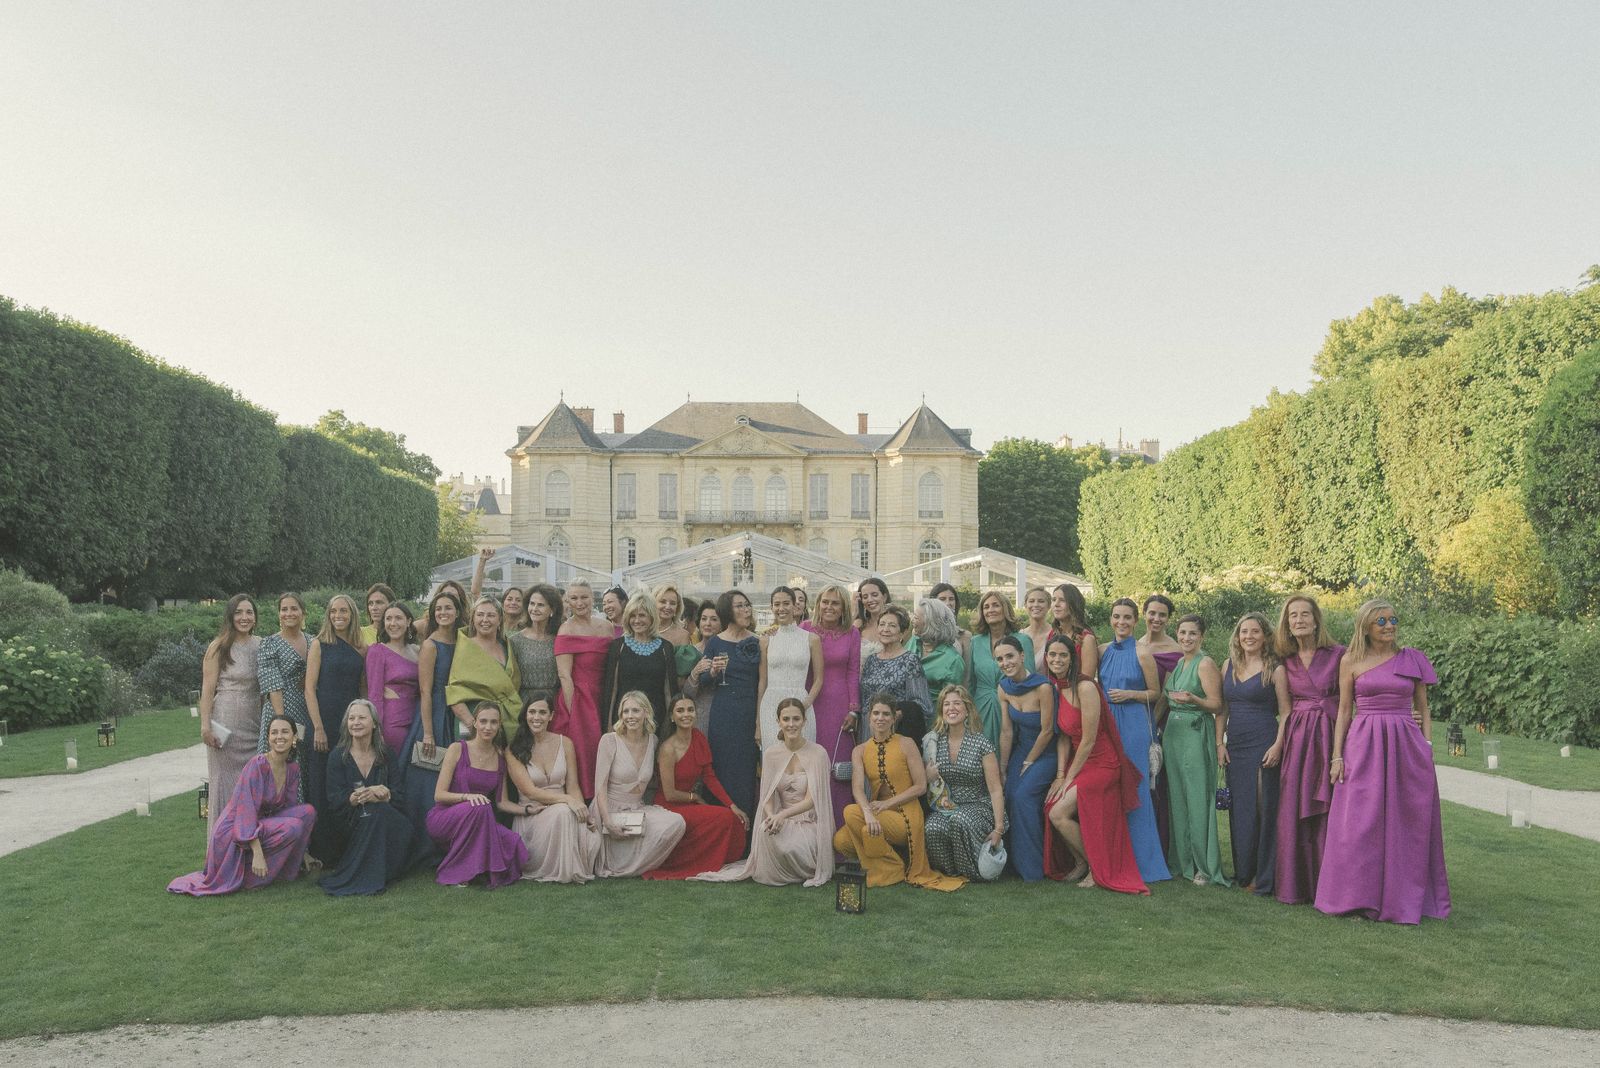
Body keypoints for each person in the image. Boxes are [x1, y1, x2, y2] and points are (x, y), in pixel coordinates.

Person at [1315, 601, 1450, 924]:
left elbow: (1424, 707)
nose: (1389, 626)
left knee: (1406, 819)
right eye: (1381, 622)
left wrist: (1427, 745)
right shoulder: (1351, 660)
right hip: (1363, 743)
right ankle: (1355, 899)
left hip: (1406, 744)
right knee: (1360, 822)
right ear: (1366, 627)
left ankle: (1402, 896)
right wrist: (1337, 756)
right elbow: (1345, 711)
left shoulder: (1411, 658)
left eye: (1393, 620)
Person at [1042, 636, 1148, 894]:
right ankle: (1079, 861)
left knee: (1059, 813)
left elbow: (1088, 740)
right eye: (1052, 655)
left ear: (1072, 658)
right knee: (1050, 808)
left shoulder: (1085, 687)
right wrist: (1059, 774)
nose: (1057, 660)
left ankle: (1094, 866)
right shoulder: (1057, 688)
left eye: (1062, 655)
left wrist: (1069, 780)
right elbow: (1064, 735)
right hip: (1081, 763)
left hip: (1102, 763)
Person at [694, 698, 835, 887]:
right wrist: (771, 817)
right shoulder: (771, 754)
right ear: (778, 722)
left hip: (807, 821)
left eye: (796, 719)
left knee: (792, 848)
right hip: (778, 819)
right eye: (786, 719)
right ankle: (782, 867)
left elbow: (812, 800)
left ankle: (803, 867)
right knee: (764, 831)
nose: (791, 724)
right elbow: (767, 796)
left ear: (804, 721)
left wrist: (782, 815)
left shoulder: (818, 753)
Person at [169, 714, 315, 896]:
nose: (279, 737)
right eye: (274, 732)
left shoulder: (292, 768)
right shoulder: (258, 765)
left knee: (307, 812)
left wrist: (302, 850)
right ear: (268, 738)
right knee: (293, 826)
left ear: (294, 737)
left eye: (285, 732)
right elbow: (246, 811)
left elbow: (289, 808)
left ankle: (289, 869)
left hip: (262, 821)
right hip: (235, 828)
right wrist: (258, 853)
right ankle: (251, 878)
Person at [835, 695, 963, 890]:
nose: (881, 718)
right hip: (877, 811)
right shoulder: (860, 750)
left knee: (863, 829)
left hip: (905, 814)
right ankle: (889, 864)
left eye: (886, 714)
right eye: (876, 713)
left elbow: (920, 786)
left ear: (894, 718)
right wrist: (868, 813)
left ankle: (889, 869)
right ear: (869, 717)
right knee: (842, 836)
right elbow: (857, 789)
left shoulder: (906, 743)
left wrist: (886, 804)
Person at [1269, 595, 1345, 905]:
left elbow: (1355, 699)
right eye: (1292, 616)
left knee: (1333, 809)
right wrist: (1279, 743)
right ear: (1286, 624)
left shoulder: (1339, 654)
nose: (1299, 620)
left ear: (1316, 620)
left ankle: (1331, 885)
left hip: (1330, 733)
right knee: (1293, 807)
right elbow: (1285, 711)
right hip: (1299, 740)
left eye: (1305, 614)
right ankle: (1296, 885)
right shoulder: (1283, 663)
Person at [1098, 598, 1170, 883]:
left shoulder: (1143, 654)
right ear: (1111, 619)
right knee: (1111, 789)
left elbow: (1156, 693)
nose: (1122, 622)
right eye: (1117, 617)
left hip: (1135, 725)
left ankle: (1144, 863)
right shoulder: (1103, 650)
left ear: (1135, 621)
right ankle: (1114, 857)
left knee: (1137, 792)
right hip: (1108, 726)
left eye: (1128, 618)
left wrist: (1130, 695)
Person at [318, 700, 423, 896]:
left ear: (374, 723)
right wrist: (357, 797)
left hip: (386, 819)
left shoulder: (386, 754)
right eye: (351, 718)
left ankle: (380, 871)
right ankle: (367, 876)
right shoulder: (338, 756)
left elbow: (399, 796)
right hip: (351, 823)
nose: (355, 722)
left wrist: (384, 795)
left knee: (383, 812)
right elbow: (334, 801)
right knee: (376, 811)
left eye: (361, 718)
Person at [644, 695, 750, 879]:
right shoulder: (668, 749)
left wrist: (732, 806)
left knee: (732, 816)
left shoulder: (699, 738)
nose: (686, 714)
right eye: (680, 710)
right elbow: (669, 794)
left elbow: (710, 777)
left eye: (690, 710)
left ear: (696, 713)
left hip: (688, 803)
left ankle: (717, 860)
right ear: (672, 717)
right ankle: (698, 863)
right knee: (722, 817)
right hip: (669, 807)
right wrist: (696, 798)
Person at [427, 701, 528, 887]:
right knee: (481, 806)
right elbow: (439, 795)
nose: (488, 727)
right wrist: (467, 797)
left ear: (499, 725)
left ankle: (478, 871)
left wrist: (529, 810)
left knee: (512, 841)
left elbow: (502, 802)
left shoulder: (499, 757)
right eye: (483, 721)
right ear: (474, 723)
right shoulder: (457, 749)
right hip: (446, 817)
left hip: (480, 819)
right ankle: (457, 874)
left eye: (493, 722)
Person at [1220, 612, 1286, 895]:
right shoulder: (1228, 665)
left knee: (1263, 807)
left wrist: (1278, 745)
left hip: (1264, 740)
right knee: (1241, 808)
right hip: (1235, 744)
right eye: (1243, 631)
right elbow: (1222, 708)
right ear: (1237, 636)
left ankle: (1263, 875)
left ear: (1265, 636)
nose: (1248, 636)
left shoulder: (1276, 668)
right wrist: (1218, 743)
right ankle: (1243, 871)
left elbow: (1286, 712)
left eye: (1254, 631)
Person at [504, 693, 601, 883]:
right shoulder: (513, 749)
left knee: (591, 829)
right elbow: (529, 791)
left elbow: (572, 786)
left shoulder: (565, 743)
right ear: (525, 715)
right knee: (563, 813)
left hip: (566, 807)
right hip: (533, 814)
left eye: (542, 712)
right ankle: (563, 873)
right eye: (532, 712)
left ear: (551, 716)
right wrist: (567, 800)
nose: (536, 717)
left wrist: (582, 810)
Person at [1163, 615, 1230, 886]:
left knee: (1197, 799)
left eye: (1192, 633)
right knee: (1178, 799)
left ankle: (1204, 866)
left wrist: (1193, 699)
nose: (1186, 638)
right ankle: (1184, 860)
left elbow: (1217, 705)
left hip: (1194, 733)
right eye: (1182, 633)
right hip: (1173, 736)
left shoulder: (1205, 663)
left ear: (1201, 636)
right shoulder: (1180, 662)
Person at [591, 692, 686, 877]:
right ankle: (617, 862)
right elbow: (599, 788)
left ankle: (634, 868)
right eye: (625, 711)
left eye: (635, 710)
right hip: (608, 809)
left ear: (645, 713)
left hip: (637, 808)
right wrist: (608, 821)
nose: (630, 716)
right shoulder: (609, 740)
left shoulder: (653, 741)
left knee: (676, 822)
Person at [303, 592, 366, 865]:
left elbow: (362, 689)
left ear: (352, 614)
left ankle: (348, 847)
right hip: (323, 721)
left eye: (343, 611)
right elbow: (309, 688)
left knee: (347, 782)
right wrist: (317, 727)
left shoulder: (361, 647)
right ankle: (323, 851)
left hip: (350, 722)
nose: (338, 616)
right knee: (320, 785)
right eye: (333, 611)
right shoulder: (319, 644)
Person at [923, 686, 1004, 881]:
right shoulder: (934, 742)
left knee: (960, 819)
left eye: (957, 703)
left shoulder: (981, 743)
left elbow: (995, 789)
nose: (951, 708)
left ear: (967, 709)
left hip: (979, 806)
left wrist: (998, 828)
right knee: (932, 827)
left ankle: (975, 873)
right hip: (946, 806)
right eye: (946, 704)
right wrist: (928, 775)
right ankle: (951, 873)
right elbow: (925, 782)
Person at [199, 594, 260, 843]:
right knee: (224, 785)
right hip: (225, 724)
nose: (244, 617)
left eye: (249, 612)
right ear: (230, 616)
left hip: (254, 723)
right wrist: (205, 726)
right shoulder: (218, 647)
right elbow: (207, 689)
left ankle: (250, 846)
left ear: (255, 617)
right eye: (238, 612)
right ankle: (221, 848)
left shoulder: (261, 645)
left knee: (252, 785)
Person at [404, 590, 463, 845]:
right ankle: (429, 842)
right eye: (438, 609)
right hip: (436, 712)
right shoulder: (430, 645)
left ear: (457, 612)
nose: (443, 613)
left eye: (448, 608)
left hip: (458, 711)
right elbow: (425, 691)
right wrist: (428, 731)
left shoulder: (463, 640)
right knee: (431, 778)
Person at [800, 583, 861, 828]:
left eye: (835, 603)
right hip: (810, 704)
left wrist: (853, 709)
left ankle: (839, 839)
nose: (829, 607)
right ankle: (809, 834)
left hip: (839, 709)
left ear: (844, 607)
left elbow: (853, 672)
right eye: (825, 601)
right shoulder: (805, 628)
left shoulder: (851, 633)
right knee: (810, 767)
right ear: (818, 603)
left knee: (837, 770)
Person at [996, 634, 1056, 881]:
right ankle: (1011, 864)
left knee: (1023, 797)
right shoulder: (1004, 687)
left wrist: (1029, 761)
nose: (1005, 662)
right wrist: (1003, 767)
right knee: (1008, 793)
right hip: (1021, 751)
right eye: (999, 659)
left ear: (1022, 656)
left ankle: (1033, 868)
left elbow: (1048, 730)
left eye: (1010, 656)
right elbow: (1007, 731)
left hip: (1046, 753)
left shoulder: (1043, 687)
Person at [703, 589, 762, 817]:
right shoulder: (716, 642)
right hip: (723, 713)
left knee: (745, 771)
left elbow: (762, 682)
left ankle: (745, 833)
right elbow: (705, 680)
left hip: (748, 712)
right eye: (739, 605)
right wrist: (714, 672)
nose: (745, 609)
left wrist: (758, 721)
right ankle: (721, 823)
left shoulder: (758, 641)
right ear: (728, 609)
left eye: (747, 605)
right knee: (721, 767)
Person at [554, 579, 614, 798]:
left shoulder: (606, 626)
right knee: (584, 752)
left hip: (604, 695)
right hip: (579, 698)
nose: (579, 603)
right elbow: (564, 675)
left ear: (592, 598)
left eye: (584, 597)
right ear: (567, 602)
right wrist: (573, 712)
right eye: (574, 598)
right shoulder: (566, 629)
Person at [447, 596, 523, 753]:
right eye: (480, 614)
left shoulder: (505, 646)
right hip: (472, 719)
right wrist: (472, 724)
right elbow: (455, 692)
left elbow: (512, 686)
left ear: (500, 619)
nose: (485, 619)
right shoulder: (466, 647)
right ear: (473, 618)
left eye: (491, 615)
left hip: (503, 719)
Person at [602, 591, 679, 735]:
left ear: (652, 617)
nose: (637, 620)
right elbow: (611, 689)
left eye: (642, 615)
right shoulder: (618, 646)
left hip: (656, 721)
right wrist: (608, 727)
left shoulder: (665, 647)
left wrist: (670, 728)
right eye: (632, 616)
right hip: (624, 720)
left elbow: (669, 691)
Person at [1139, 593, 1181, 854]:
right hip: (1135, 718)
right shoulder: (1136, 644)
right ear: (1145, 614)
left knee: (1159, 783)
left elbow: (1166, 695)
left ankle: (1162, 848)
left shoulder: (1175, 650)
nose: (1156, 618)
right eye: (1152, 613)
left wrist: (1151, 726)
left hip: (1159, 722)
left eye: (1162, 614)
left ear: (1168, 619)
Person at [757, 586, 824, 749]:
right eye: (776, 604)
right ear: (771, 607)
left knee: (803, 760)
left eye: (786, 603)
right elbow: (762, 682)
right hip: (771, 706)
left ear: (795, 606)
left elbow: (819, 679)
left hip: (802, 704)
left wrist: (804, 705)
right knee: (774, 758)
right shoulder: (766, 640)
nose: (781, 608)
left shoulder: (812, 639)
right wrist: (758, 721)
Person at [257, 596, 311, 783]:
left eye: (294, 608)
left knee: (302, 764)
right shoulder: (269, 643)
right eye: (284, 609)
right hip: (279, 710)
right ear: (279, 614)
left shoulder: (313, 642)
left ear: (303, 613)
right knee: (280, 763)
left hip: (305, 711)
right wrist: (282, 724)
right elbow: (272, 684)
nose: (289, 613)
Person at [971, 590, 1033, 749]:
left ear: (1005, 609)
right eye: (986, 607)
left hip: (1012, 705)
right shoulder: (975, 642)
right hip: (980, 707)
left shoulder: (1023, 640)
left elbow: (1029, 680)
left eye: (995, 605)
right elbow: (971, 681)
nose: (990, 610)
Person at [859, 605, 931, 733]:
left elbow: (922, 704)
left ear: (902, 632)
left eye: (892, 626)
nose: (885, 629)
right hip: (867, 729)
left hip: (895, 731)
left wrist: (895, 715)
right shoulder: (871, 660)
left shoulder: (910, 660)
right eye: (882, 624)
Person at [366, 602, 421, 755]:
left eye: (398, 618)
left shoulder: (417, 651)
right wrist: (377, 732)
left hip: (417, 720)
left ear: (409, 621)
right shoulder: (377, 651)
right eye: (388, 619)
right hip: (392, 722)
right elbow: (374, 695)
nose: (393, 623)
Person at [510, 584, 563, 711]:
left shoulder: (560, 639)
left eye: (540, 605)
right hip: (524, 705)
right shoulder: (515, 641)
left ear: (552, 610)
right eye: (531, 603)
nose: (534, 609)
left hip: (555, 704)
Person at [679, 600, 723, 734]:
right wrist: (695, 672)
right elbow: (685, 693)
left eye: (714, 619)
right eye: (704, 619)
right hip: (698, 716)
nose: (708, 623)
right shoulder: (691, 651)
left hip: (722, 713)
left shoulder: (726, 651)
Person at [916, 597, 967, 700]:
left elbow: (951, 701)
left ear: (930, 622)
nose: (912, 620)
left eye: (916, 618)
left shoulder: (953, 660)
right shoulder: (913, 642)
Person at [1050, 584, 1099, 682]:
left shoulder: (1086, 639)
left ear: (1074, 604)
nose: (1056, 604)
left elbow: (1087, 681)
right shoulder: (1052, 635)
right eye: (1054, 599)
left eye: (1062, 600)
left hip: (1076, 695)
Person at [929, 582, 973, 674]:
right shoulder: (922, 632)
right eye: (942, 599)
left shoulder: (965, 636)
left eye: (951, 599)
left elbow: (967, 672)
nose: (948, 603)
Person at [855, 577, 891, 659]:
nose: (870, 600)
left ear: (884, 597)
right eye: (865, 597)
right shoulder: (858, 625)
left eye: (874, 595)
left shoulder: (897, 625)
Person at [1019, 586, 1053, 674]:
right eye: (1031, 601)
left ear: (1049, 606)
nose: (1036, 604)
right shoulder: (1019, 636)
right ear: (1025, 605)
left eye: (1041, 601)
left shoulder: (1055, 634)